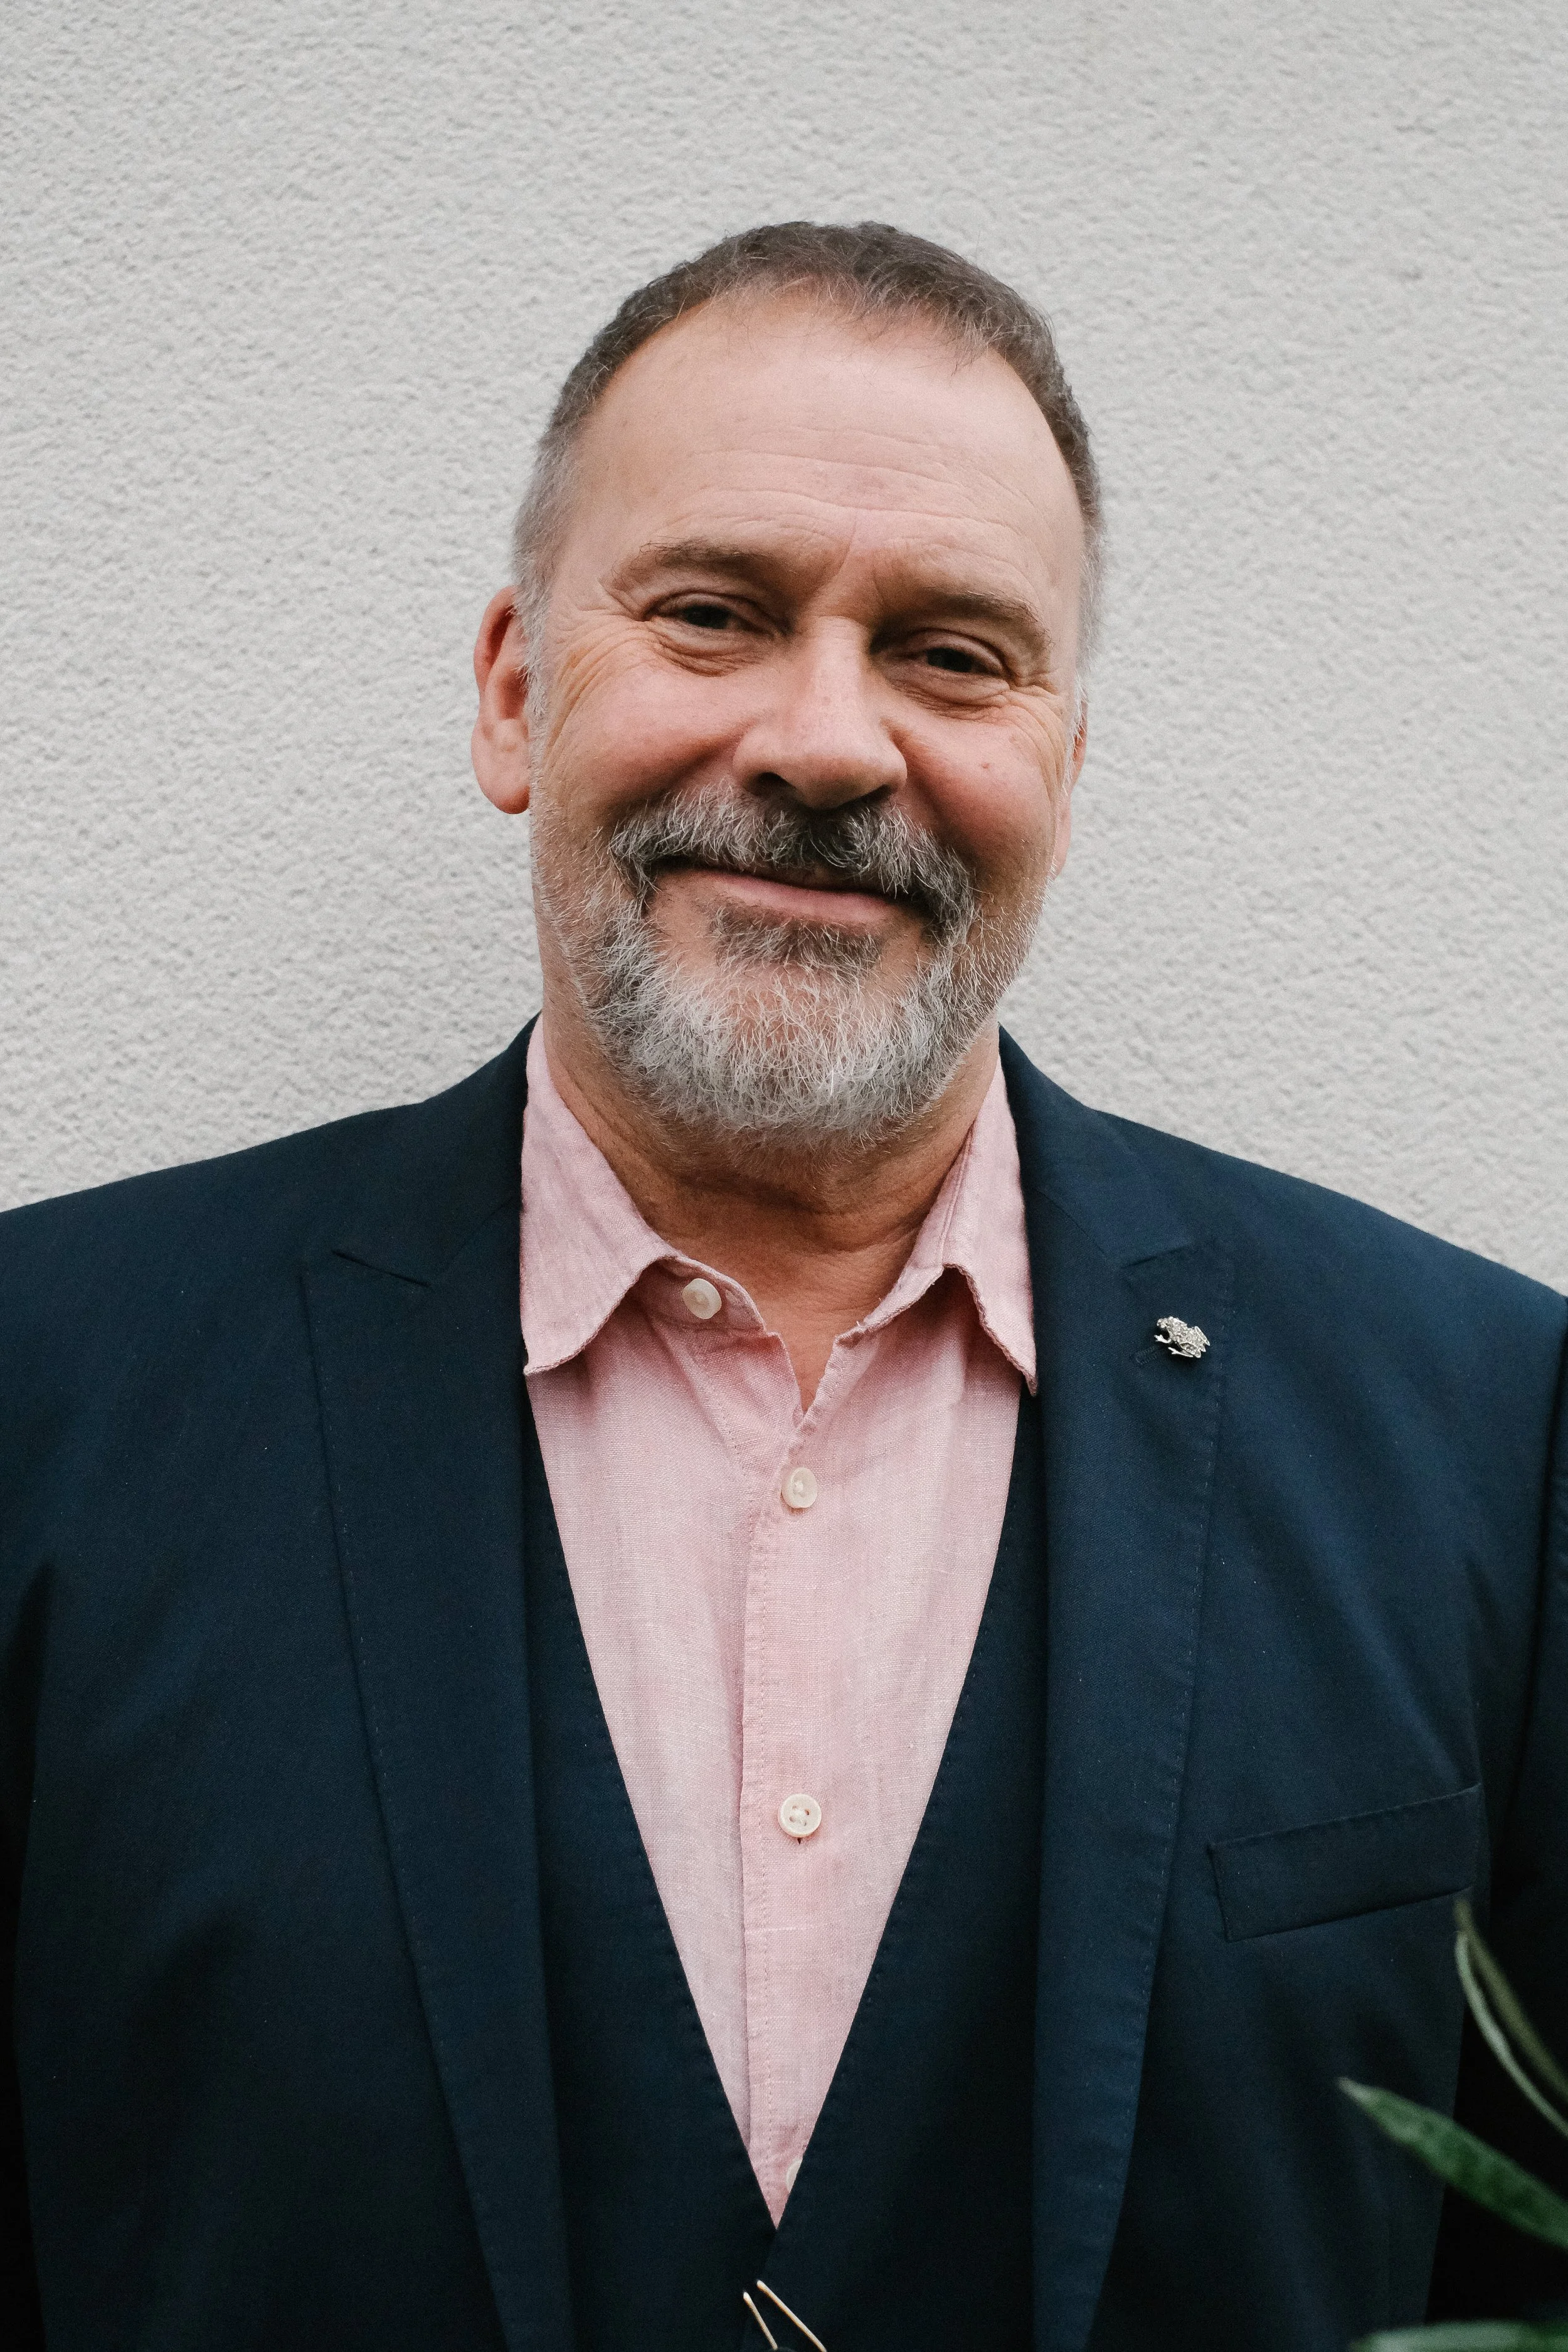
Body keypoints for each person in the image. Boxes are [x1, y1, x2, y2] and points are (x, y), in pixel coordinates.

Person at [1, 220, 1564, 2352]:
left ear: (1064, 766)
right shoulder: (46, 1387)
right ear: (513, 692)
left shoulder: (1484, 1424)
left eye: (949, 651)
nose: (829, 745)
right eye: (716, 613)